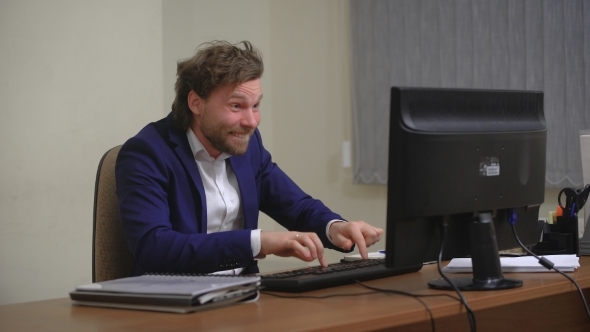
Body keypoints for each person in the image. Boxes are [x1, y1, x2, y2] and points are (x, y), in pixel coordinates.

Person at [115, 40, 383, 276]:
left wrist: (334, 227)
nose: (252, 121)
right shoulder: (146, 153)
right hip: (175, 303)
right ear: (196, 103)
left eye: (256, 106)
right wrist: (257, 243)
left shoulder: (247, 143)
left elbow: (296, 205)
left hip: (243, 295)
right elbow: (154, 247)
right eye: (236, 106)